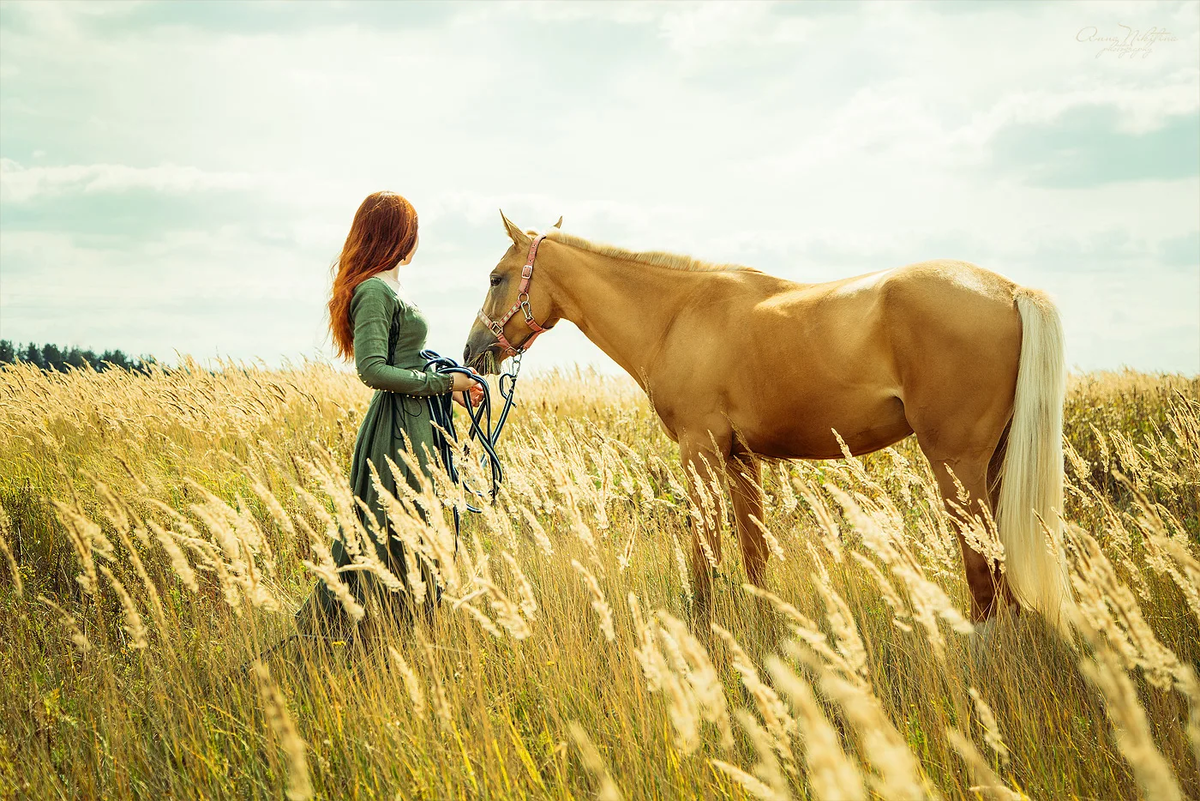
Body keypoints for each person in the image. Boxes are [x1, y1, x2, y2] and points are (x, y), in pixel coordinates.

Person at [296, 191, 483, 643]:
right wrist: (443, 384)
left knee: (417, 527)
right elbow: (373, 370)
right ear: (398, 235)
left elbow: (406, 359)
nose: (416, 240)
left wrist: (452, 391)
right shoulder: (374, 291)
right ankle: (350, 630)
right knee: (392, 529)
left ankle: (406, 627)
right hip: (398, 431)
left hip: (419, 421)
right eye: (412, 230)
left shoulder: (387, 287)